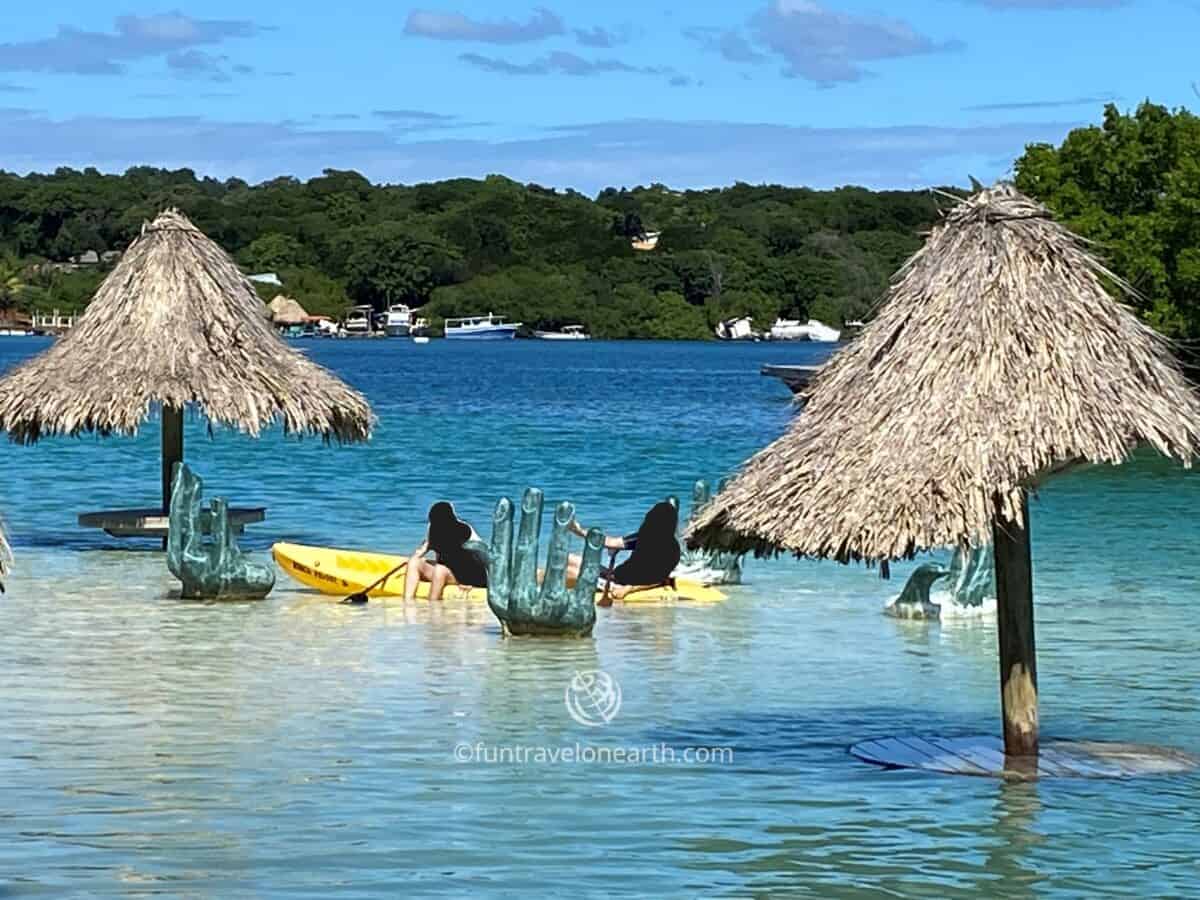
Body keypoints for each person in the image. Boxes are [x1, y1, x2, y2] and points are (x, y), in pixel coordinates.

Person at [567, 501, 681, 604]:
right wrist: (578, 531)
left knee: (569, 572)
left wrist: (626, 589)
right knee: (569, 559)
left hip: (618, 584)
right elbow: (610, 542)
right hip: (613, 575)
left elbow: (659, 577)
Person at [403, 502, 489, 601]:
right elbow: (422, 550)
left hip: (469, 576)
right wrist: (412, 559)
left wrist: (471, 582)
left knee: (440, 569)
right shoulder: (433, 528)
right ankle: (407, 603)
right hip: (446, 573)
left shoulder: (465, 530)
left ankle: (433, 604)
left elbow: (482, 555)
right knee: (414, 562)